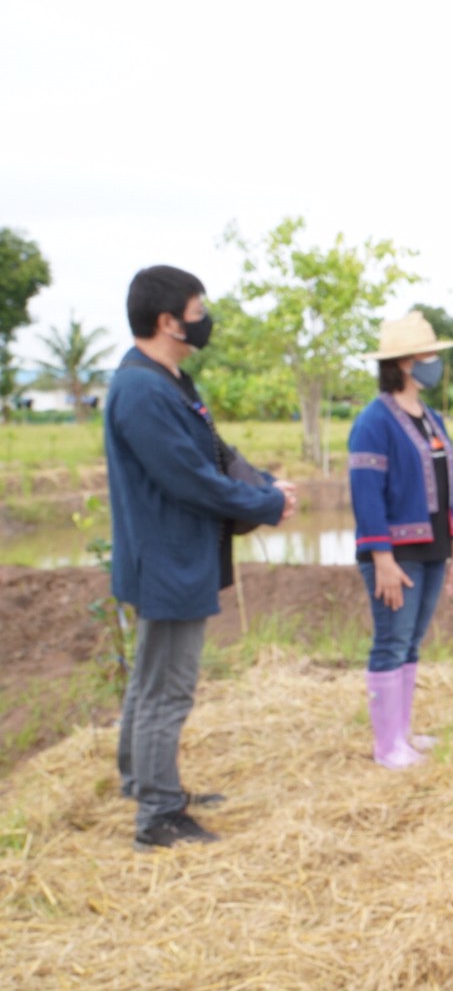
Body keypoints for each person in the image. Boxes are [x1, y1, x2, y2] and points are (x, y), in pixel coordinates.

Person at [107, 265, 298, 850]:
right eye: (197, 310)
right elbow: (188, 481)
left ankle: (142, 781)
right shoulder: (141, 390)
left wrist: (265, 486)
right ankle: (158, 816)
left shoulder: (168, 381)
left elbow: (216, 454)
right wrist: (264, 504)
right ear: (168, 321)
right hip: (166, 559)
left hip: (176, 554)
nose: (204, 319)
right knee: (168, 687)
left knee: (150, 678)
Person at [349, 311, 453, 769]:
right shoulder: (373, 422)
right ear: (402, 363)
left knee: (412, 642)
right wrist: (382, 557)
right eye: (427, 355)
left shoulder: (433, 419)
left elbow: (452, 490)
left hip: (434, 549)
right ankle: (386, 747)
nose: (434, 363)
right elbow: (366, 495)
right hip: (396, 555)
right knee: (391, 641)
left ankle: (404, 734)